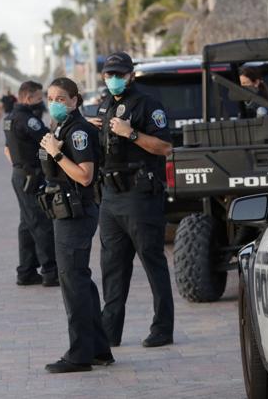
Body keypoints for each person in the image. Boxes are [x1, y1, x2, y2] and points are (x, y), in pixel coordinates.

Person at [91, 52, 174, 348]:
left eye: (119, 74)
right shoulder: (107, 106)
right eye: (109, 74)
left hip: (140, 195)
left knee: (152, 262)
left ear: (130, 75)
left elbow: (164, 146)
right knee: (112, 268)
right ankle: (109, 332)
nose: (114, 79)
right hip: (111, 198)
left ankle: (162, 328)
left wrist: (132, 133)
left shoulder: (148, 105)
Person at [39, 78, 113, 373]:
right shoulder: (61, 128)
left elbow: (84, 175)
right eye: (51, 97)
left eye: (61, 98)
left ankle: (79, 354)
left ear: (74, 101)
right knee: (80, 280)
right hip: (66, 212)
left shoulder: (78, 131)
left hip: (76, 212)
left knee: (73, 283)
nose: (55, 102)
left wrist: (56, 152)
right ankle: (98, 348)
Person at [3, 81, 58, 287]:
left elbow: (8, 149)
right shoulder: (28, 120)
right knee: (41, 223)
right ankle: (50, 271)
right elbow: (47, 140)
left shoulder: (9, 118)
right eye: (38, 98)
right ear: (27, 98)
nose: (41, 102)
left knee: (27, 224)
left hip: (20, 175)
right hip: (31, 177)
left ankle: (26, 271)